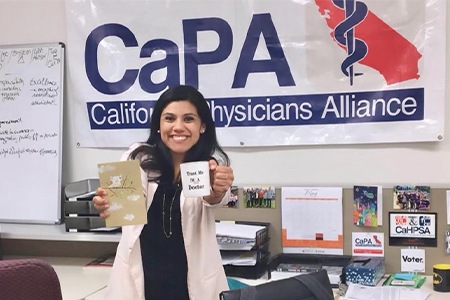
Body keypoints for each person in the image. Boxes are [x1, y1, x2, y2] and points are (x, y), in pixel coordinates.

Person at [93, 85, 234, 300]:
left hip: (190, 286)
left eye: (188, 119)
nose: (178, 127)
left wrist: (217, 188)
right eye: (169, 118)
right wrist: (107, 203)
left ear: (202, 126)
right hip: (143, 283)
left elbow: (215, 199)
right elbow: (124, 205)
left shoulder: (210, 166)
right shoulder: (138, 159)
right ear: (159, 125)